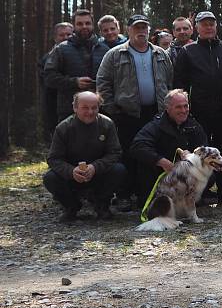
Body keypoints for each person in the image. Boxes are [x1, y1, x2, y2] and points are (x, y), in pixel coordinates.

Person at [96, 14, 174, 211]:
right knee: (127, 155)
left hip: (156, 114)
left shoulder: (160, 54)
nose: (141, 31)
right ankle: (125, 196)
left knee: (153, 155)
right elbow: (103, 83)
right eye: (136, 28)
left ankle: (150, 195)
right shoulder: (114, 54)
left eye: (144, 27)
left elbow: (169, 82)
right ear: (128, 30)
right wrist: (113, 109)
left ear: (149, 30)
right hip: (127, 115)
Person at [173, 10, 222, 203]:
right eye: (204, 24)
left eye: (211, 23)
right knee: (198, 154)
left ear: (216, 26)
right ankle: (198, 194)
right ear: (197, 28)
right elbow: (180, 83)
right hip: (198, 112)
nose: (208, 27)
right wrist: (184, 111)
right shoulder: (188, 51)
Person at [43, 92, 125, 222]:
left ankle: (102, 205)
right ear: (75, 108)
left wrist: (95, 167)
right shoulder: (63, 128)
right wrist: (71, 171)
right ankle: (71, 207)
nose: (90, 112)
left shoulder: (107, 124)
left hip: (98, 174)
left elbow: (115, 153)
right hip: (72, 177)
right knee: (50, 178)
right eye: (85, 108)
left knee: (119, 170)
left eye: (94, 107)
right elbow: (53, 158)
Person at [129, 89, 208, 207]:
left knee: (210, 175)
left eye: (186, 106)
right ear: (167, 108)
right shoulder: (155, 126)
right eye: (178, 107)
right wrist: (161, 161)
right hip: (161, 175)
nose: (183, 110)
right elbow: (137, 146)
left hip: (185, 175)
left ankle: (190, 200)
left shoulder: (194, 126)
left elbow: (205, 150)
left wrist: (192, 156)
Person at [44, 9, 110, 122]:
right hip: (69, 112)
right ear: (74, 26)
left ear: (92, 25)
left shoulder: (104, 49)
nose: (84, 26)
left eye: (87, 23)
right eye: (80, 24)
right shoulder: (61, 49)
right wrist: (75, 82)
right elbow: (49, 77)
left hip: (100, 112)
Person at [40, 22, 74, 138]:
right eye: (62, 35)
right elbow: (48, 84)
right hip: (54, 106)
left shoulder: (79, 54)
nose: (65, 38)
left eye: (69, 34)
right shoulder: (46, 59)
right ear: (55, 38)